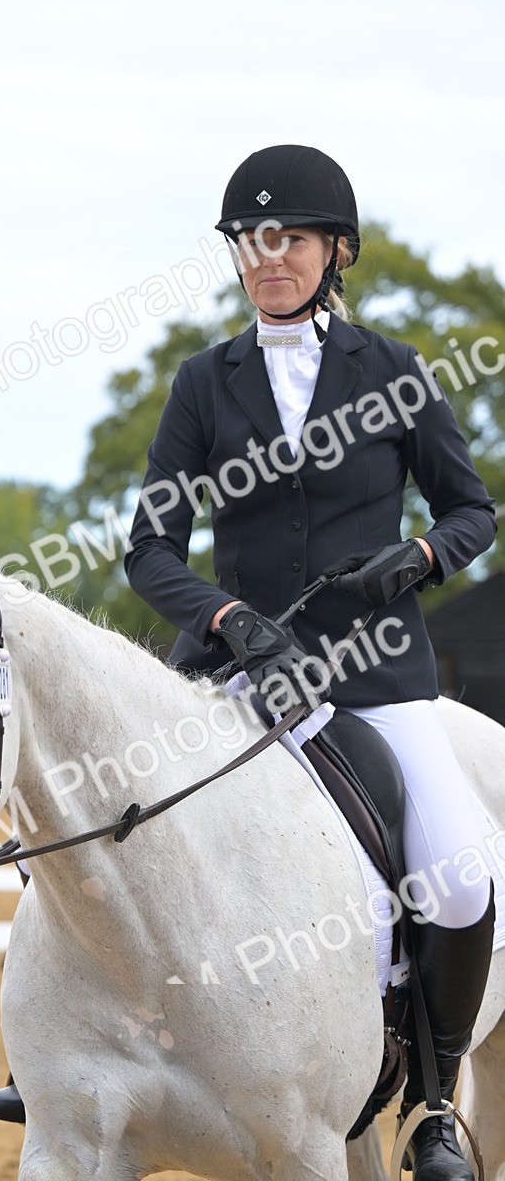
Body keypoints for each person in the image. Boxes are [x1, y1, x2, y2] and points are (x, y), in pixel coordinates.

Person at [123, 145, 497, 1180]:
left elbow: (471, 510)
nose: (265, 255)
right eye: (249, 239)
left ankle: (426, 1102)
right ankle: (73, 1057)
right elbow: (148, 548)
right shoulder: (203, 383)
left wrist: (417, 556)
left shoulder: (393, 373)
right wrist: (227, 615)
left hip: (376, 676)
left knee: (461, 882)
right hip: (238, 678)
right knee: (108, 830)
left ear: (333, 251)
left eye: (285, 236)